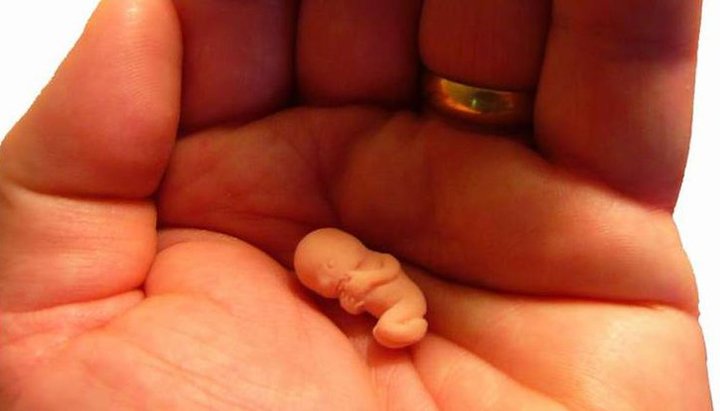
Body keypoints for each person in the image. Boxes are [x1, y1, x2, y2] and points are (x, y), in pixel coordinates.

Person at [0, 0, 711, 409]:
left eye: (334, 271)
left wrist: (371, 288)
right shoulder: (355, 283)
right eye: (326, 280)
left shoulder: (378, 273)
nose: (336, 284)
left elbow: (377, 284)